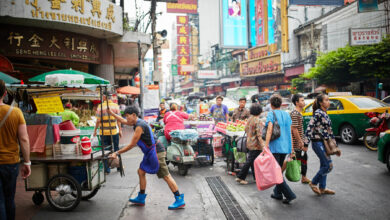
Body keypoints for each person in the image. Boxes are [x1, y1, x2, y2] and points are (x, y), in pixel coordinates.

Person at [107, 106, 186, 210]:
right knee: (141, 172)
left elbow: (131, 145)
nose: (126, 118)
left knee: (166, 176)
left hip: (157, 152)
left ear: (134, 115)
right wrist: (111, 112)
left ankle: (179, 199)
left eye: (127, 116)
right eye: (126, 116)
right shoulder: (136, 122)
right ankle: (141, 197)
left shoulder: (139, 126)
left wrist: (116, 153)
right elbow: (122, 120)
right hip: (150, 152)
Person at [0, 80, 31, 220]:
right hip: (10, 163)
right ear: (5, 93)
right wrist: (27, 162)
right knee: (9, 199)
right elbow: (24, 139)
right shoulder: (15, 112)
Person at [304, 94, 340, 196]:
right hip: (317, 142)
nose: (329, 102)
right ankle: (314, 183)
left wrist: (335, 147)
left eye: (328, 100)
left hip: (324, 142)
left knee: (325, 165)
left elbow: (329, 131)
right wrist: (305, 144)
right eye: (326, 100)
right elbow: (309, 128)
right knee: (328, 165)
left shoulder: (324, 113)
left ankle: (322, 188)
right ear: (321, 102)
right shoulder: (318, 113)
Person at [265, 94, 296, 204]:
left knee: (275, 173)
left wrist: (265, 145)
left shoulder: (271, 113)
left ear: (271, 104)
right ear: (281, 103)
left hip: (275, 147)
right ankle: (277, 193)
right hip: (285, 147)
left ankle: (289, 195)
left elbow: (269, 130)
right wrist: (291, 148)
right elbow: (290, 132)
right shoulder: (287, 115)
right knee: (278, 171)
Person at [235, 103, 264, 185]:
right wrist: (263, 145)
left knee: (253, 160)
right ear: (259, 111)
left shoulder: (250, 119)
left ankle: (256, 178)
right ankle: (240, 177)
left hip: (249, 142)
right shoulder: (258, 120)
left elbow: (245, 129)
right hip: (256, 144)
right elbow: (259, 134)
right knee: (250, 160)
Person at [93, 94, 122, 174]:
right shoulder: (115, 106)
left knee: (105, 150)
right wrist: (120, 130)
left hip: (104, 132)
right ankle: (119, 167)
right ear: (111, 98)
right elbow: (118, 119)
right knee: (116, 149)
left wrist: (95, 130)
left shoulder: (100, 106)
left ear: (104, 97)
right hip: (114, 131)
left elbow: (98, 120)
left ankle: (107, 170)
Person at [290, 94, 311, 184]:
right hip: (296, 143)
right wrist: (300, 142)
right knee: (295, 161)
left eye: (303, 100)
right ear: (296, 103)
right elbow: (294, 129)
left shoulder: (298, 113)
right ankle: (280, 179)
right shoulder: (295, 114)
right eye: (301, 100)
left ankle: (304, 177)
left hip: (300, 141)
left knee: (303, 158)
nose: (304, 102)